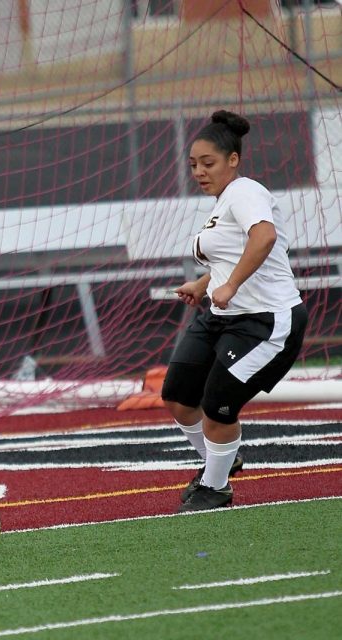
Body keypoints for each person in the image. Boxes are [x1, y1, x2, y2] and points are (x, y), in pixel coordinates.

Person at [161, 110, 307, 512]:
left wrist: (231, 285)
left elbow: (264, 237)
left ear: (233, 160)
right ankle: (219, 460)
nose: (199, 172)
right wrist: (205, 283)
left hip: (267, 321)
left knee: (217, 406)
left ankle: (215, 487)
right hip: (222, 317)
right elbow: (232, 255)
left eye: (208, 163)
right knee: (176, 395)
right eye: (193, 165)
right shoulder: (223, 202)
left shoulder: (245, 192)